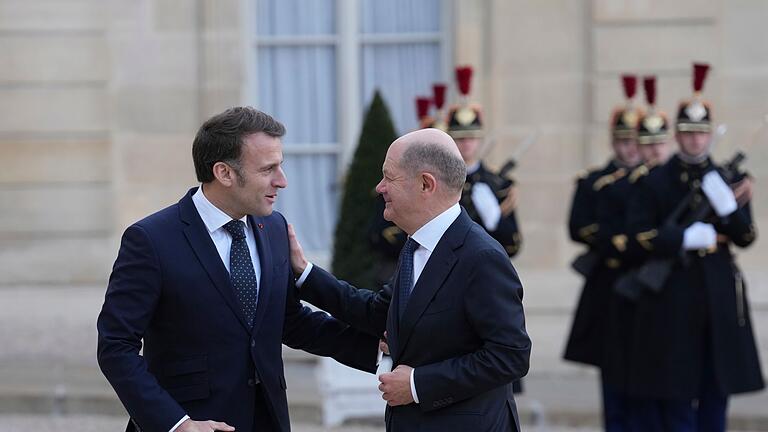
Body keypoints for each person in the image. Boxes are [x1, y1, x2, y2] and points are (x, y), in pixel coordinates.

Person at [96, 107, 379, 432]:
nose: (282, 181)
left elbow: (288, 320)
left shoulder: (274, 228)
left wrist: (377, 350)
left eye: (280, 166)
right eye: (268, 169)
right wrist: (177, 425)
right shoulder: (150, 240)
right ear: (224, 173)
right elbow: (116, 346)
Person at [293, 128, 531, 432]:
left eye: (389, 177)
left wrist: (418, 384)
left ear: (425, 184)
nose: (380, 188)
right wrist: (305, 273)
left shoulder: (481, 257)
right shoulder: (417, 244)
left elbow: (510, 356)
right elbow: (378, 313)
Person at [625, 63, 763, 432]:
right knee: (676, 392)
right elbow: (638, 236)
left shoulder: (727, 179)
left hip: (717, 291)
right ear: (677, 135)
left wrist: (730, 210)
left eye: (701, 134)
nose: (696, 142)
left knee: (715, 391)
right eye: (688, 134)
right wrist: (682, 238)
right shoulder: (656, 180)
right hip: (672, 295)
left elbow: (746, 236)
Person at [564, 74, 642, 431]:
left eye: (634, 141)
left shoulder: (654, 181)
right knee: (612, 371)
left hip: (645, 284)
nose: (629, 149)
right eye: (622, 141)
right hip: (609, 283)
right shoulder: (594, 181)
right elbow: (579, 226)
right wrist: (617, 239)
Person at [447, 65, 523, 257]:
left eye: (471, 138)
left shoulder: (498, 183)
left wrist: (495, 221)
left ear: (480, 140)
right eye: (460, 138)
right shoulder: (440, 180)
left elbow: (513, 244)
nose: (466, 144)